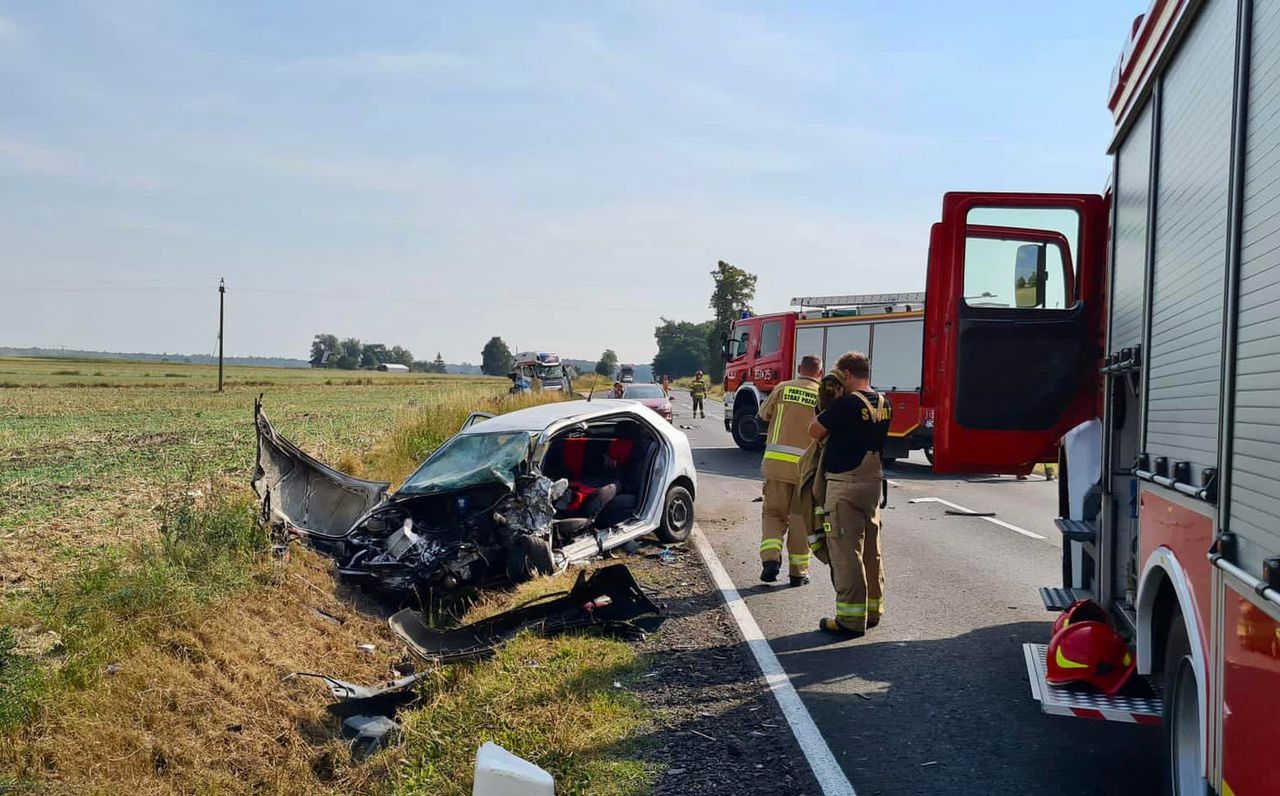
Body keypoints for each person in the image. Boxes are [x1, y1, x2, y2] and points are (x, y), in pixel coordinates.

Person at [808, 351, 891, 637]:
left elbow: (814, 431)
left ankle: (850, 619)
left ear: (845, 374)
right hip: (872, 483)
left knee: (846, 553)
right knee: (871, 550)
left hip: (845, 485)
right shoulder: (883, 402)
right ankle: (872, 610)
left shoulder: (845, 405)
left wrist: (830, 402)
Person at [756, 355, 822, 587]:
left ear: (798, 369)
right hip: (806, 471)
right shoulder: (823, 395)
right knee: (801, 520)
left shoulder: (783, 388)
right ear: (820, 373)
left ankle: (771, 560)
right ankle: (798, 573)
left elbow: (763, 415)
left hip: (776, 466)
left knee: (773, 514)